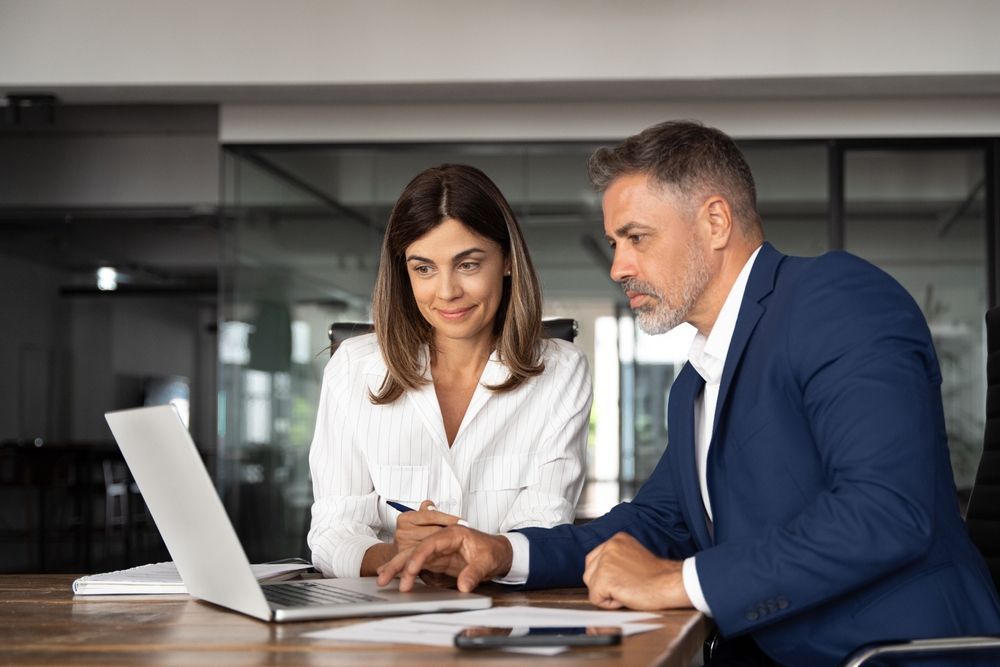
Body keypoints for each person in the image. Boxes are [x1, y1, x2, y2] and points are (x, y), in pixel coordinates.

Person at [377, 122, 1000, 665]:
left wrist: (682, 582)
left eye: (636, 238)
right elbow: (656, 524)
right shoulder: (699, 378)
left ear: (715, 221)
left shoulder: (835, 299)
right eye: (616, 244)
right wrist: (501, 551)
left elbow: (883, 512)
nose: (618, 266)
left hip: (890, 655)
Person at [308, 163, 591, 579]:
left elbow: (543, 525)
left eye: (469, 264)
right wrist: (394, 554)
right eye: (424, 268)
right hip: (388, 615)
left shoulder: (562, 372)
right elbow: (332, 531)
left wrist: (472, 551)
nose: (446, 292)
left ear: (507, 262)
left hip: (505, 619)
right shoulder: (352, 367)